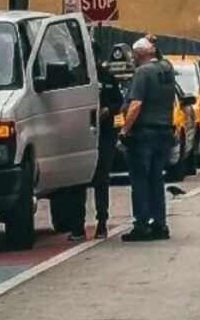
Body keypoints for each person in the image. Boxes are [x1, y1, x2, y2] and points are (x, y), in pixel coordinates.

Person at [118, 36, 178, 242]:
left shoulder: (143, 73)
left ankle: (142, 225)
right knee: (156, 178)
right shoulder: (167, 69)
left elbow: (136, 104)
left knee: (140, 181)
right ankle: (160, 224)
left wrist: (125, 130)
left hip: (143, 133)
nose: (133, 58)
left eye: (134, 54)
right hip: (164, 130)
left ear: (141, 54)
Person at [74, 47, 132, 242]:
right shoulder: (76, 76)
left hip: (105, 134)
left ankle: (102, 223)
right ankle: (77, 226)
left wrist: (109, 109)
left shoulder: (107, 77)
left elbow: (120, 102)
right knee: (79, 180)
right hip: (81, 135)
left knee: (101, 179)